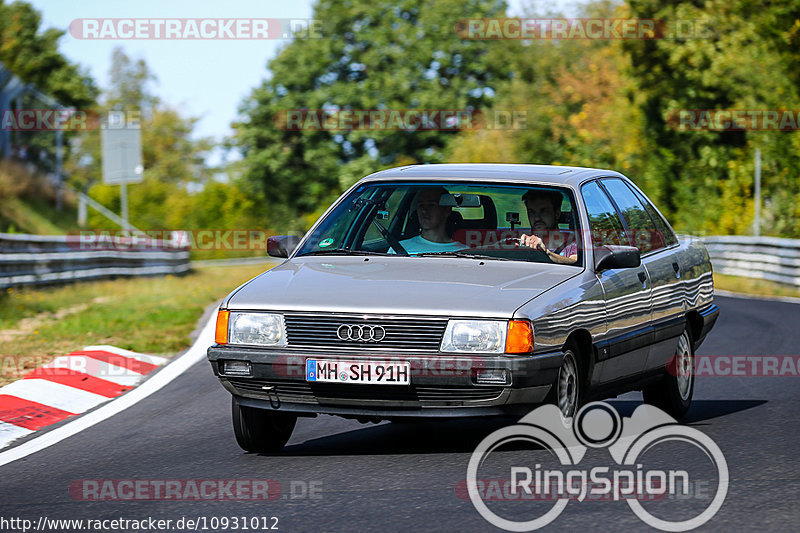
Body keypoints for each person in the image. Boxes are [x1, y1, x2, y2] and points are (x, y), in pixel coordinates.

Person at [395, 187, 463, 254]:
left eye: (431, 205)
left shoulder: (464, 252)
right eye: (421, 205)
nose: (424, 210)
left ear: (447, 210)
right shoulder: (399, 249)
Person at [518, 189, 578, 264]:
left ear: (557, 213)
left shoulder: (573, 244)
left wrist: (546, 252)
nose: (537, 218)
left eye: (543, 211)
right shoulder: (523, 242)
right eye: (531, 212)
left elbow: (574, 261)